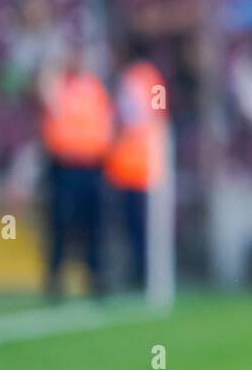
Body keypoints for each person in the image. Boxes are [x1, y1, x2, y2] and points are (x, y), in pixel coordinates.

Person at [40, 44, 114, 299]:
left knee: (92, 224)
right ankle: (55, 276)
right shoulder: (60, 86)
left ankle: (95, 276)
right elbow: (46, 95)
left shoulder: (94, 89)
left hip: (92, 165)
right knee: (61, 223)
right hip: (65, 166)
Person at [104, 46, 168, 291]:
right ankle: (142, 273)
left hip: (134, 166)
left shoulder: (135, 80)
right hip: (137, 166)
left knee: (137, 227)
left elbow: (131, 119)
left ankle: (142, 274)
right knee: (137, 227)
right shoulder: (150, 79)